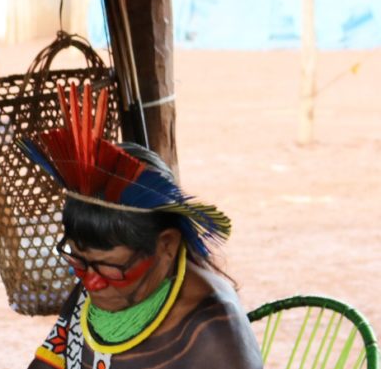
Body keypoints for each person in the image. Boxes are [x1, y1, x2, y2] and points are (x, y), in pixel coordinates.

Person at [18, 85, 262, 369]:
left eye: (110, 265)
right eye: (79, 259)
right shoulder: (98, 280)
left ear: (167, 245)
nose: (90, 282)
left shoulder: (213, 330)